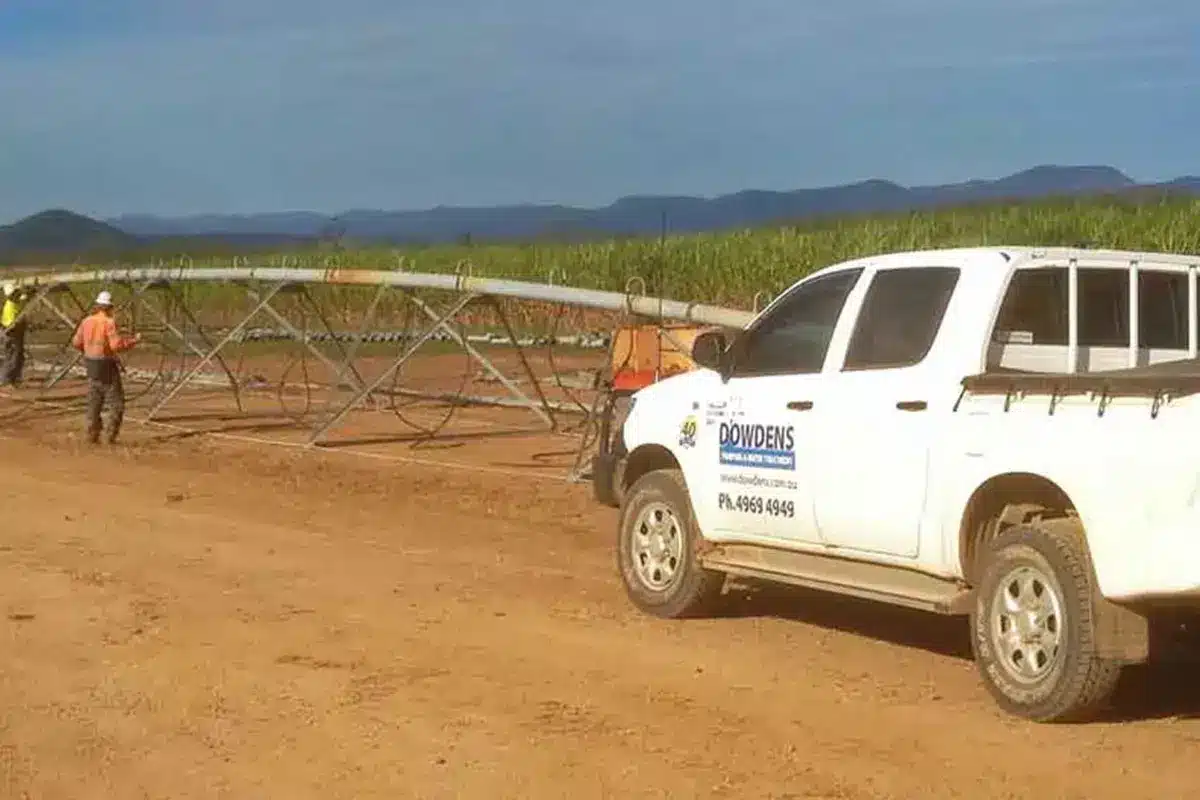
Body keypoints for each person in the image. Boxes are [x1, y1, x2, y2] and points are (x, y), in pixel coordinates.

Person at [70, 290, 141, 444]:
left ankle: (92, 433)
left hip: (90, 363)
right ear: (109, 307)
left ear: (97, 306)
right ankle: (110, 435)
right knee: (116, 402)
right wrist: (133, 341)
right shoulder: (109, 323)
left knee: (94, 399)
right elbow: (116, 345)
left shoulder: (86, 321)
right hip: (106, 364)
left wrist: (88, 349)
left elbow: (76, 342)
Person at [0, 283, 28, 387]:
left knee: (18, 356)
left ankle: (14, 379)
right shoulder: (10, 306)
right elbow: (10, 325)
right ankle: (5, 379)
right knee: (13, 357)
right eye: (15, 293)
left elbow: (24, 298)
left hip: (14, 334)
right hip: (11, 335)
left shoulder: (15, 302)